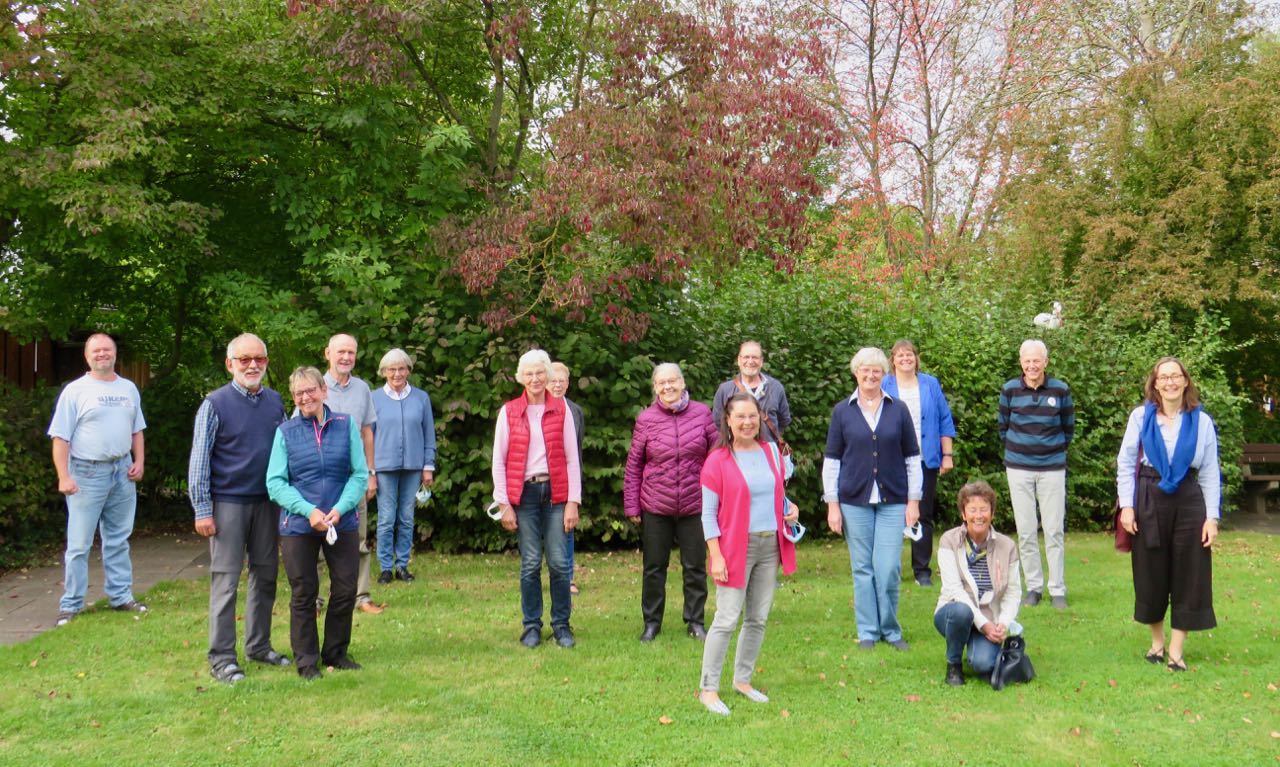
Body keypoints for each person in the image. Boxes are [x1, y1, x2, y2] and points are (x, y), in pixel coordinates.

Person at [188, 333, 291, 683]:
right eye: (244, 359)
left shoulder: (276, 402)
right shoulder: (214, 404)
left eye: (259, 359)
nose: (252, 365)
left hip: (267, 503)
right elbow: (199, 461)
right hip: (227, 503)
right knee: (226, 581)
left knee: (266, 577)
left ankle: (259, 646)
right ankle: (221, 659)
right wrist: (202, 509)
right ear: (230, 363)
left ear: (266, 363)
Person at [697, 393, 799, 716]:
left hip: (770, 545)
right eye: (740, 416)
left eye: (752, 416)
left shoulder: (772, 453)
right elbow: (707, 515)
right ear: (727, 420)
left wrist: (790, 510)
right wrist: (716, 554)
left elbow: (777, 495)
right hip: (733, 548)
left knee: (757, 618)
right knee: (726, 619)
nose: (747, 422)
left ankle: (743, 680)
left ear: (760, 418)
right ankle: (709, 689)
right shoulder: (717, 461)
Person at [1117, 357, 1220, 672]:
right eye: (1164, 377)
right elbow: (1125, 463)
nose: (1171, 382)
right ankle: (1157, 643)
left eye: (1176, 376)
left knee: (1190, 571)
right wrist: (1127, 505)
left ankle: (1176, 651)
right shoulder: (1140, 417)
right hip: (1149, 493)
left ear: (1186, 381)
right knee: (1151, 569)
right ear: (1155, 383)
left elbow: (1211, 472)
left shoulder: (1201, 421)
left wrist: (1212, 517)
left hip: (1189, 498)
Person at [266, 367, 368, 680]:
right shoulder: (285, 432)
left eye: (311, 390)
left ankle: (336, 651)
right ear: (293, 398)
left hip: (342, 521)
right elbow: (275, 482)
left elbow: (359, 474)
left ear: (324, 390)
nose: (306, 397)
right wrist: (308, 510)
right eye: (299, 393)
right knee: (304, 592)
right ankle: (307, 661)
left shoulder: (345, 424)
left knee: (346, 587)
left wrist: (339, 508)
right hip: (299, 525)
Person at [823, 347, 922, 651]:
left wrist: (914, 500)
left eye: (876, 370)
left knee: (889, 567)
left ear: (884, 374)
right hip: (854, 500)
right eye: (864, 370)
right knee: (862, 569)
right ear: (856, 373)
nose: (870, 375)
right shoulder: (843, 411)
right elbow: (832, 461)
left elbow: (912, 458)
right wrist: (833, 504)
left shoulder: (898, 409)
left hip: (894, 500)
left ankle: (890, 630)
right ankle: (868, 630)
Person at [48, 333, 148, 627]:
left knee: (118, 539)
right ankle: (71, 605)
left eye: (107, 349)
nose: (102, 354)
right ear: (87, 356)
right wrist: (63, 476)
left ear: (115, 354)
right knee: (79, 545)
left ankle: (121, 596)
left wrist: (139, 461)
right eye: (96, 350)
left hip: (122, 471)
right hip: (86, 473)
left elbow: (137, 430)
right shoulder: (75, 391)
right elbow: (60, 437)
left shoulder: (129, 388)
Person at [491, 349, 582, 649]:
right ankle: (531, 626)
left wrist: (573, 501)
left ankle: (561, 625)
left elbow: (572, 458)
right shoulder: (509, 411)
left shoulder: (562, 410)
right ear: (521, 377)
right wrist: (504, 503)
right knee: (530, 563)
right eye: (529, 374)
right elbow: (499, 460)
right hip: (525, 496)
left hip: (556, 493)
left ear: (548, 375)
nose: (535, 378)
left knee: (558, 563)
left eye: (540, 372)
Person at [624, 363, 718, 642]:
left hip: (694, 504)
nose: (668, 387)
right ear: (655, 388)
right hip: (656, 505)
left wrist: (717, 499)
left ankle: (695, 621)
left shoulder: (702, 413)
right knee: (654, 567)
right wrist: (632, 505)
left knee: (695, 567)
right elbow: (634, 465)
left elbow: (716, 457)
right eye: (662, 383)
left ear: (682, 382)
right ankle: (652, 623)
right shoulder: (646, 419)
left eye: (673, 381)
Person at [998, 339, 1074, 610]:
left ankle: (1057, 589)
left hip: (1052, 468)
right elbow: (1003, 427)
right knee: (1026, 531)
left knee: (1054, 530)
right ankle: (1033, 587)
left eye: (1036, 360)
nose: (1032, 365)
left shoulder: (1060, 389)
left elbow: (1068, 428)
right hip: (1018, 467)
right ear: (1021, 362)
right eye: (1027, 361)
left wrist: (1050, 451)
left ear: (1046, 362)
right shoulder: (1009, 390)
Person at [319, 333, 383, 615]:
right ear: (327, 354)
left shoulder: (362, 389)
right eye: (340, 352)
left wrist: (371, 473)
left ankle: (362, 596)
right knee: (319, 542)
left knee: (358, 539)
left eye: (351, 352)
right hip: (322, 480)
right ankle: (315, 600)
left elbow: (368, 432)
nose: (346, 357)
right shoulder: (314, 387)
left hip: (355, 478)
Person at [883, 339, 956, 587]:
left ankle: (922, 570)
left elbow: (945, 419)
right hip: (890, 461)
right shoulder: (884, 383)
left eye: (909, 354)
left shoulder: (930, 383)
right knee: (890, 514)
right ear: (892, 360)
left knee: (922, 514)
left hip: (926, 459)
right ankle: (889, 568)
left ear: (916, 358)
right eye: (900, 355)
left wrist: (948, 455)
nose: (905, 359)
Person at [934, 481, 1021, 686]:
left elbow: (1013, 591)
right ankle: (953, 664)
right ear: (964, 514)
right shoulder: (949, 540)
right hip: (952, 612)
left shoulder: (1007, 546)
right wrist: (985, 625)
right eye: (972, 510)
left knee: (984, 665)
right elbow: (954, 589)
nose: (978, 515)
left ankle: (979, 648)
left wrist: (1002, 624)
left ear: (992, 513)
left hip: (990, 615)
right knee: (961, 612)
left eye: (984, 509)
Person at [370, 348, 437, 585]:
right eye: (391, 369)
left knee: (407, 518)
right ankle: (386, 567)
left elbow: (429, 434)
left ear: (408, 370)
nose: (396, 373)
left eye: (401, 368)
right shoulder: (374, 398)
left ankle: (402, 566)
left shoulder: (421, 398)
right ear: (384, 372)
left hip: (413, 467)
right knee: (387, 518)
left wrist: (428, 467)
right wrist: (370, 471)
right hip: (384, 467)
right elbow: (368, 436)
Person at [547, 361, 583, 595]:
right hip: (541, 480)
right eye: (554, 381)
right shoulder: (536, 409)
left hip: (567, 480)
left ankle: (568, 577)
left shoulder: (575, 411)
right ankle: (549, 574)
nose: (558, 385)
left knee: (566, 529)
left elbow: (577, 450)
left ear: (568, 384)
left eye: (562, 381)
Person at [712, 340, 791, 444]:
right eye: (746, 357)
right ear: (739, 360)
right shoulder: (725, 390)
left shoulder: (776, 387)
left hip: (767, 454)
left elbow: (784, 420)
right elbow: (718, 422)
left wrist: (770, 438)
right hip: (736, 453)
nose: (750, 361)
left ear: (761, 361)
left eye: (755, 357)